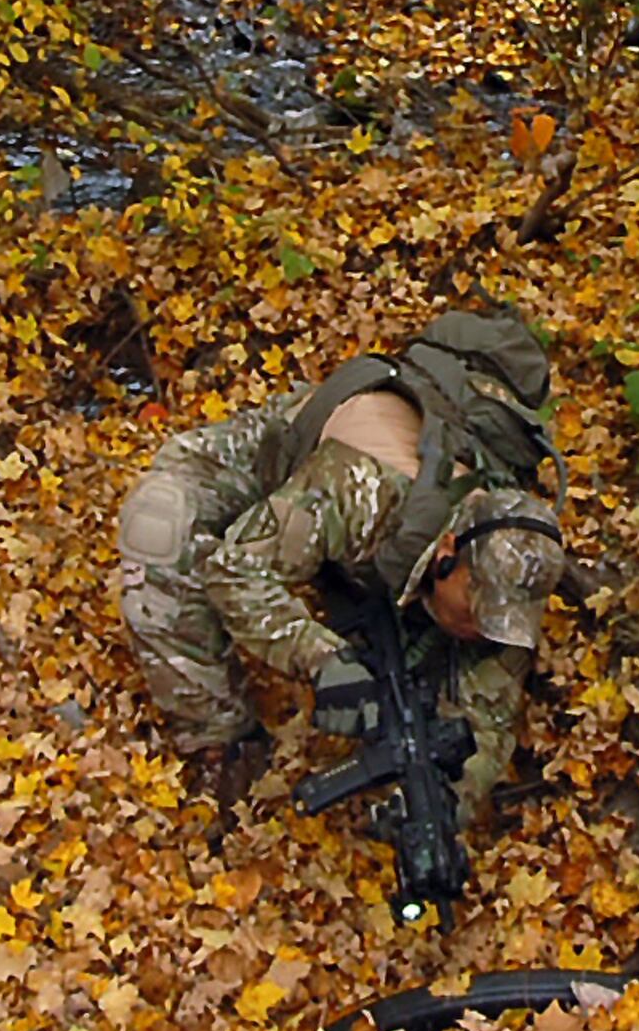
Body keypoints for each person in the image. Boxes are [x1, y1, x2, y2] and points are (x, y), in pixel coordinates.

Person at [116, 313, 569, 818]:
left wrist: (444, 807)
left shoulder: (512, 570)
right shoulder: (360, 490)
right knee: (156, 523)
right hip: (294, 451)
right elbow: (236, 569)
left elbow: (491, 717)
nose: (482, 626)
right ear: (446, 554)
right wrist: (321, 658)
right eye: (475, 608)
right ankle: (221, 739)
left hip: (373, 527)